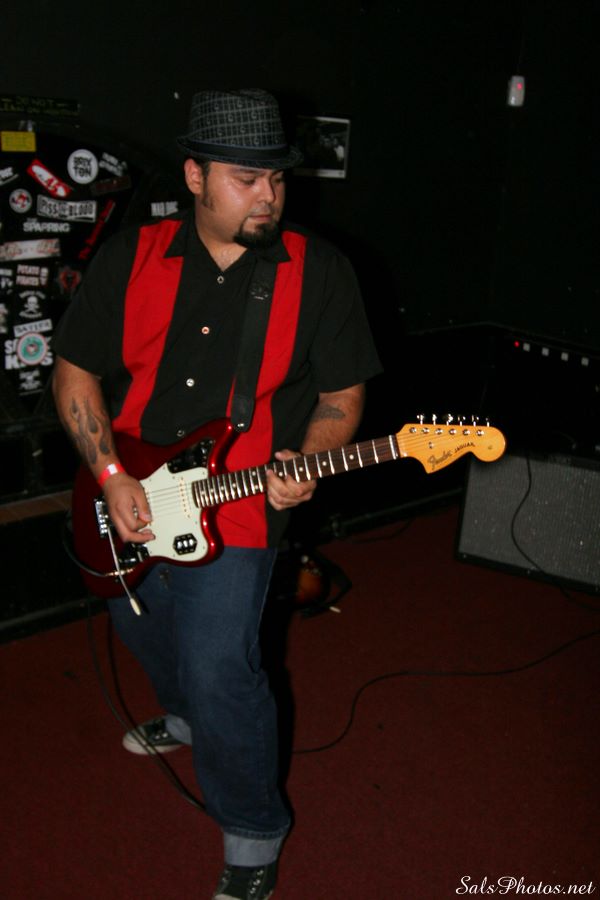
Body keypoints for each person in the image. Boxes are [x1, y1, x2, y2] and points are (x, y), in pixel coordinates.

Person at [52, 88, 382, 900]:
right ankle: (183, 717)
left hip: (242, 503)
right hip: (126, 486)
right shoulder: (131, 257)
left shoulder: (319, 273)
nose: (269, 197)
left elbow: (342, 396)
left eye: (278, 179)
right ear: (195, 176)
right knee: (140, 626)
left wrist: (310, 459)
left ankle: (252, 833)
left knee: (221, 667)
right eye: (247, 179)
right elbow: (74, 373)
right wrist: (111, 476)